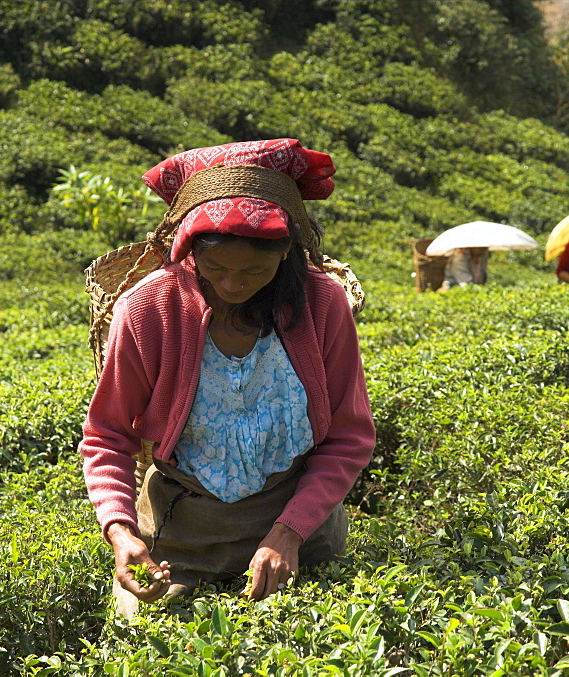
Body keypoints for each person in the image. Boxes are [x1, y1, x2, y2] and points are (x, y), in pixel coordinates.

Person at [78, 139, 376, 617]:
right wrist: (122, 531)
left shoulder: (322, 303)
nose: (234, 284)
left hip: (300, 530)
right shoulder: (147, 309)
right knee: (139, 639)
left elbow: (348, 436)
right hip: (183, 534)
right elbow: (107, 436)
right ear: (189, 251)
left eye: (254, 270)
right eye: (217, 267)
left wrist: (289, 531)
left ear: (286, 255)